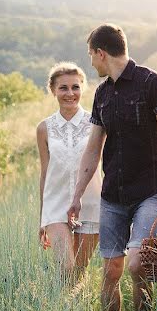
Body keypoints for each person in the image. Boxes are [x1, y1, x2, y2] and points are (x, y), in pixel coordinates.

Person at [68, 24, 157, 311]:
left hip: (150, 191)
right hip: (113, 197)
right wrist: (77, 196)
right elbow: (93, 149)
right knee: (110, 271)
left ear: (100, 53)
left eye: (91, 56)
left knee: (136, 263)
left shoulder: (153, 84)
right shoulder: (103, 94)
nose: (91, 63)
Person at [36, 62, 101, 284]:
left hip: (91, 204)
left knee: (79, 273)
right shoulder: (44, 128)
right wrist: (42, 218)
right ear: (53, 90)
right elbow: (45, 172)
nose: (70, 93)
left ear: (83, 88)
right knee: (66, 268)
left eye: (75, 87)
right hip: (56, 205)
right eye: (63, 88)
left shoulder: (97, 123)